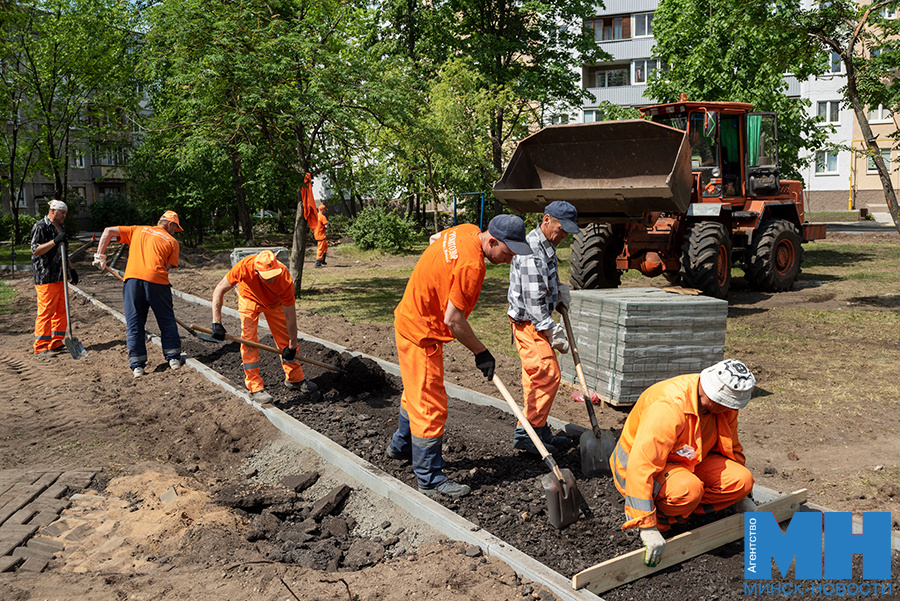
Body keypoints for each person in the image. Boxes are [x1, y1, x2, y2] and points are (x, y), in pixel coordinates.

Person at [386, 215, 533, 498]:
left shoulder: (465, 231)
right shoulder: (472, 266)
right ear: (492, 241)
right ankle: (429, 477)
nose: (511, 258)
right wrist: (482, 353)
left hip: (408, 319)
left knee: (415, 392)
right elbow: (453, 320)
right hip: (422, 332)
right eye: (508, 251)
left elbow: (435, 240)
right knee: (430, 404)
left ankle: (402, 446)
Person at [611, 358, 759, 567]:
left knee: (742, 481)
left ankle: (683, 510)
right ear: (711, 394)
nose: (729, 409)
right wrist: (647, 527)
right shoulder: (669, 406)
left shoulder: (724, 407)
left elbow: (731, 448)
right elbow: (641, 465)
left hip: (691, 461)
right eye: (725, 404)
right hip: (640, 471)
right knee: (687, 491)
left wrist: (741, 497)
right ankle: (662, 520)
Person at [507, 201, 580, 455]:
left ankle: (537, 429)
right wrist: (553, 331)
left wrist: (559, 294)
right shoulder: (530, 251)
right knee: (548, 374)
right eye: (561, 229)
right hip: (529, 323)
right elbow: (535, 302)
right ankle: (525, 432)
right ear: (546, 220)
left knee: (535, 377)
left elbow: (547, 282)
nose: (564, 235)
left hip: (536, 320)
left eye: (568, 231)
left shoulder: (546, 244)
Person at [209, 250, 316, 404]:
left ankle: (294, 379)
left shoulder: (284, 278)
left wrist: (292, 345)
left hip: (274, 303)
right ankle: (254, 386)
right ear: (256, 271)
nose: (271, 278)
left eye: (273, 274)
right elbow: (219, 289)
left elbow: (291, 317)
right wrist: (217, 322)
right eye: (267, 276)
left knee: (285, 340)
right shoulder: (244, 267)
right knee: (249, 338)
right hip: (249, 299)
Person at [94, 211, 184, 377]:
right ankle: (173, 359)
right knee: (166, 320)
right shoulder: (172, 242)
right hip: (157, 281)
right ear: (170, 224)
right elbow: (166, 268)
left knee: (134, 322)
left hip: (132, 281)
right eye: (175, 228)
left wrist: (100, 255)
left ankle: (137, 365)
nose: (175, 232)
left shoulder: (138, 229)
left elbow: (108, 231)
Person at [30, 199, 77, 356]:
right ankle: (41, 346)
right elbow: (36, 250)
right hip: (46, 277)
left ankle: (56, 342)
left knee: (61, 311)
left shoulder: (61, 227)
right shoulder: (40, 227)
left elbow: (63, 252)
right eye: (62, 213)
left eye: (65, 213)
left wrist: (72, 269)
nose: (64, 216)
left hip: (60, 276)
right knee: (46, 312)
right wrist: (54, 241)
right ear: (52, 211)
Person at [314, 204, 329, 268]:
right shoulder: (323, 217)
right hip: (321, 235)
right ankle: (317, 263)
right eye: (324, 210)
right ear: (322, 210)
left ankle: (322, 260)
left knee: (325, 246)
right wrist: (328, 226)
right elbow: (326, 226)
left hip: (316, 234)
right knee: (320, 249)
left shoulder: (315, 216)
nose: (325, 211)